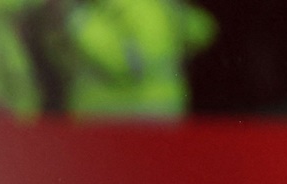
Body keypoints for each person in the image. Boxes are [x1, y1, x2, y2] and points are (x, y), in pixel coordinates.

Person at [62, 0, 216, 118]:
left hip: (133, 116)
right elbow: (199, 30)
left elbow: (128, 63)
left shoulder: (137, 6)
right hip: (124, 116)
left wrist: (77, 23)